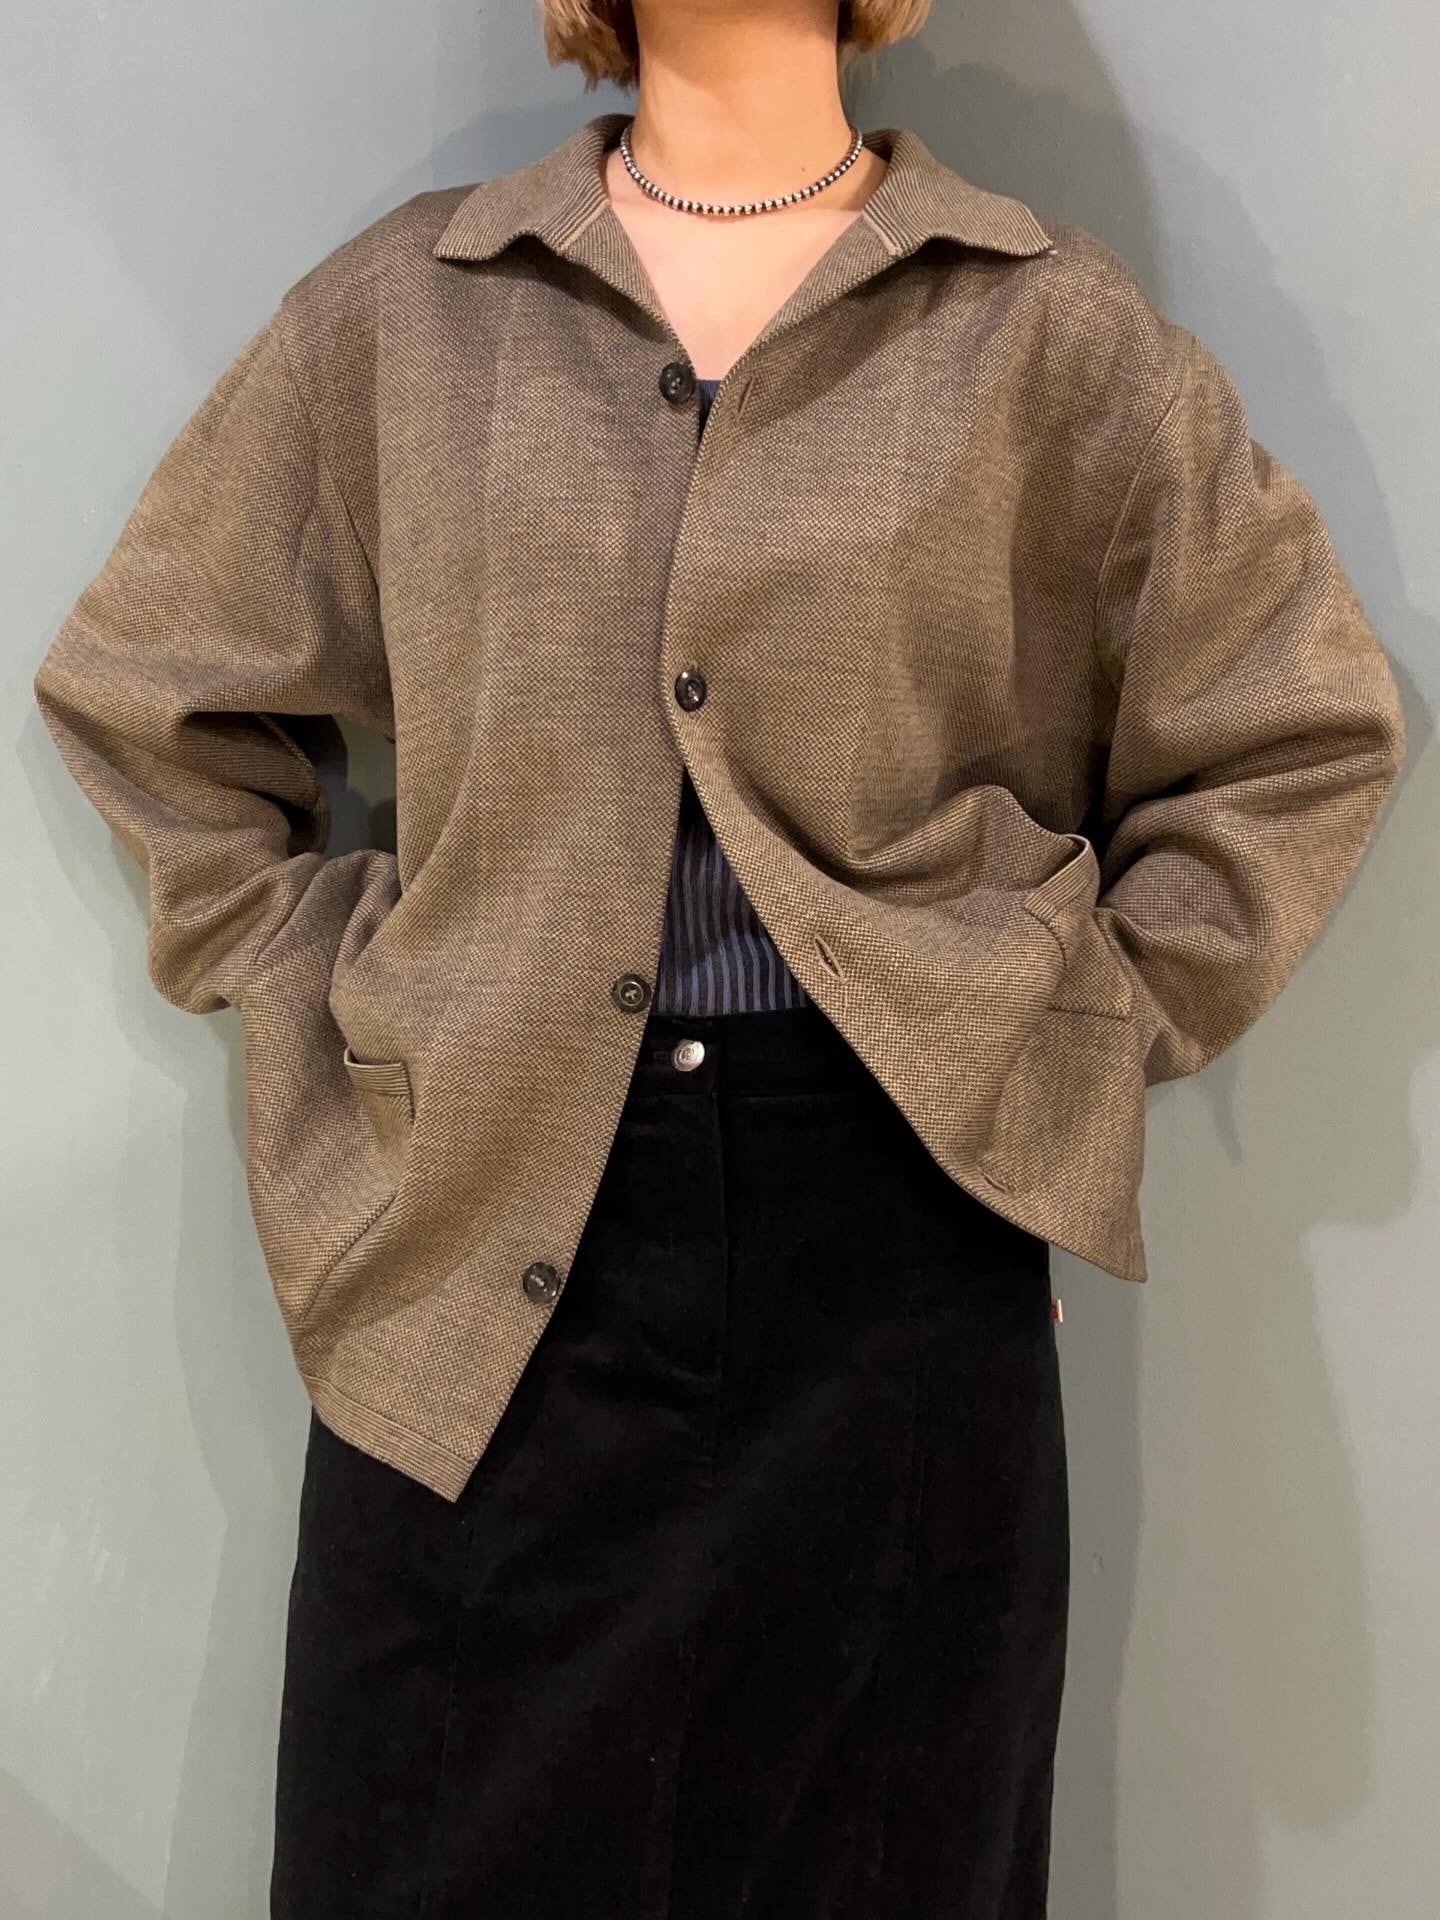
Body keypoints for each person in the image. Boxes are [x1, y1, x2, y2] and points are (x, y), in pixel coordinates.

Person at [31, 2, 1406, 1915]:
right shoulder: (414, 312)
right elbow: (146, 695)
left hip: (901, 1266)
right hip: (478, 1264)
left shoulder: (1039, 328)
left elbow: (1300, 729)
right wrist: (335, 987)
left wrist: (1062, 1041)